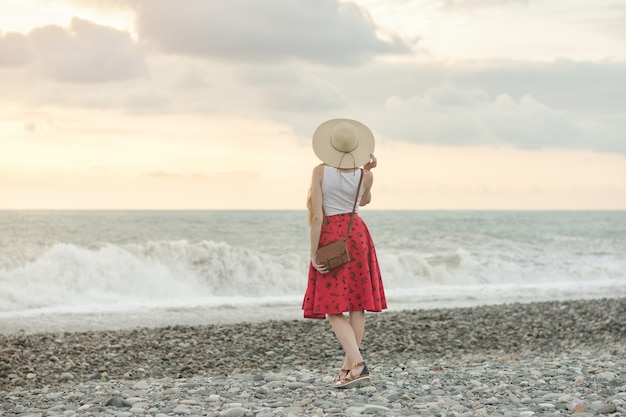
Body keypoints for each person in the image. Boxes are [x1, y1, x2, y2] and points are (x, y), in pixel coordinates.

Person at [302, 118, 387, 389]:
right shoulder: (366, 174)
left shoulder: (319, 171)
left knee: (332, 307)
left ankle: (358, 364)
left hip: (331, 233)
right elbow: (364, 201)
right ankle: (348, 367)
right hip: (357, 233)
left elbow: (316, 215)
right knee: (356, 303)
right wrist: (368, 171)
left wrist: (314, 252)